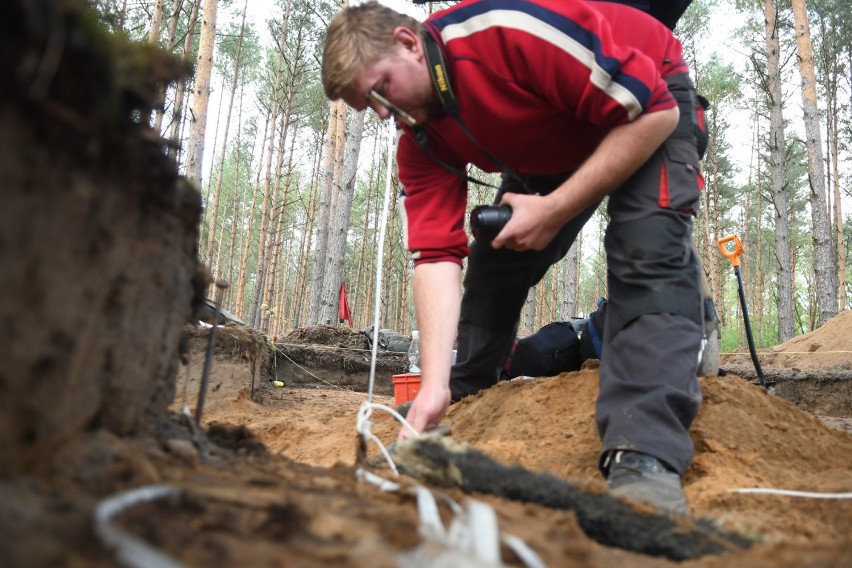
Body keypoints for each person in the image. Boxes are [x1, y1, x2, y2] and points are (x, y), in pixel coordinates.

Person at [322, 0, 707, 517]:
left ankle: (645, 453)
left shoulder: (504, 35)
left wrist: (554, 210)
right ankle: (464, 398)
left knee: (644, 252)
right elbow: (435, 256)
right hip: (554, 138)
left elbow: (657, 110)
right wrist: (434, 385)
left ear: (409, 44)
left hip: (649, 104)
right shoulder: (419, 135)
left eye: (380, 91)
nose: (383, 113)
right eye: (367, 107)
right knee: (494, 263)